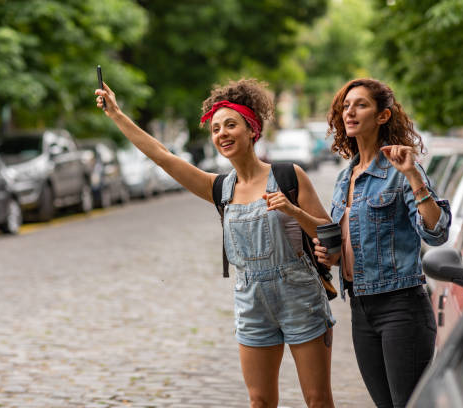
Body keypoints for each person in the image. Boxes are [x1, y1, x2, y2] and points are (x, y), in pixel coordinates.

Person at [96, 78, 336, 408]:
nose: (221, 133)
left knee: (317, 400)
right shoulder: (219, 189)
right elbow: (164, 157)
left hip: (300, 297)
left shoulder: (288, 175)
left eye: (230, 125)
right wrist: (117, 114)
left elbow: (328, 231)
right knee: (260, 401)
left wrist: (293, 210)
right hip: (251, 303)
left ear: (252, 130)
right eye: (215, 128)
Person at [313, 78, 451, 408]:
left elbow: (437, 232)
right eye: (346, 106)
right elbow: (355, 241)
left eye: (360, 105)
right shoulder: (345, 177)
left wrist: (414, 178)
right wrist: (332, 256)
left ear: (382, 116)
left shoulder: (399, 169)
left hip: (401, 307)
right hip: (361, 308)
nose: (350, 112)